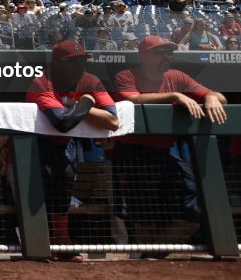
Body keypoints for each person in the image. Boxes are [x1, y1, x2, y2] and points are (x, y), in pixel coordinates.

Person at [112, 36, 226, 254]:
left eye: (169, 53)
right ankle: (147, 265)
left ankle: (149, 256)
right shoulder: (127, 75)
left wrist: (211, 97)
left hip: (166, 152)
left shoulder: (177, 76)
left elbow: (219, 97)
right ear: (143, 55)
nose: (166, 57)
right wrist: (175, 95)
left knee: (192, 214)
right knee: (144, 217)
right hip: (134, 153)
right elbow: (132, 100)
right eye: (159, 53)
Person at [26, 40, 119, 262]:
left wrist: (76, 106)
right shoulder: (42, 83)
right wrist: (86, 103)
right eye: (74, 61)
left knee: (63, 188)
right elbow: (62, 123)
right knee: (35, 195)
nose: (80, 65)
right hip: (31, 146)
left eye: (83, 60)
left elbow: (113, 120)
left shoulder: (90, 80)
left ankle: (62, 242)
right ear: (57, 63)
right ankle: (35, 244)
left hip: (63, 145)